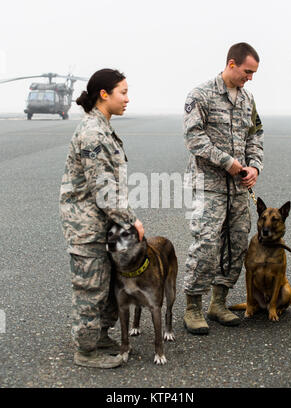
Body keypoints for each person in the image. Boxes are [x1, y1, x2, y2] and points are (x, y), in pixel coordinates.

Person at [59, 69, 144, 368]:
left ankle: (100, 336)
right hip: (87, 224)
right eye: (122, 91)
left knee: (109, 283)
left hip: (105, 223)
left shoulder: (104, 128)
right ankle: (85, 350)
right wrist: (131, 220)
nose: (127, 98)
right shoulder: (93, 133)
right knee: (90, 287)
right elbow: (103, 188)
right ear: (104, 94)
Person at [183, 43, 264, 334]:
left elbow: (255, 136)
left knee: (236, 245)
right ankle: (193, 306)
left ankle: (219, 303)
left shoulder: (247, 100)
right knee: (206, 245)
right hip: (210, 186)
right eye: (247, 72)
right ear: (231, 64)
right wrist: (228, 162)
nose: (250, 78)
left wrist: (254, 166)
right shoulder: (200, 95)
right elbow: (194, 138)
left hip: (239, 189)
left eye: (253, 73)